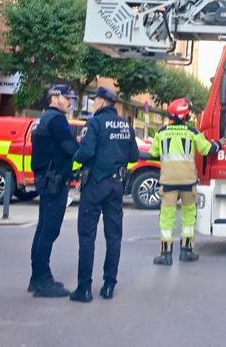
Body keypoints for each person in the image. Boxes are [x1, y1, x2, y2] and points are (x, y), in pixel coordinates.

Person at [69, 87, 140, 303]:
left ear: (100, 102)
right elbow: (134, 156)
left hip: (94, 185)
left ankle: (84, 289)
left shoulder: (95, 124)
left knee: (87, 236)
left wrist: (75, 156)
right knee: (114, 236)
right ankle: (109, 285)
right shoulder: (126, 126)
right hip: (116, 186)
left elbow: (86, 153)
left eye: (95, 100)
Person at [147, 98, 223, 265]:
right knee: (189, 216)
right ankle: (186, 251)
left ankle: (165, 255)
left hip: (168, 182)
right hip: (188, 182)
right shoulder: (192, 132)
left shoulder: (161, 132)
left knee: (167, 217)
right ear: (186, 115)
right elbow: (208, 150)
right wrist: (219, 144)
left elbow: (153, 153)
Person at [28, 84, 80, 298]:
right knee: (49, 230)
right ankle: (42, 280)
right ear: (54, 97)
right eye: (67, 98)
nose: (70, 102)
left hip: (45, 179)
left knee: (42, 229)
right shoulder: (57, 120)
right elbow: (71, 150)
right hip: (54, 181)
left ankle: (36, 277)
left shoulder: (42, 118)